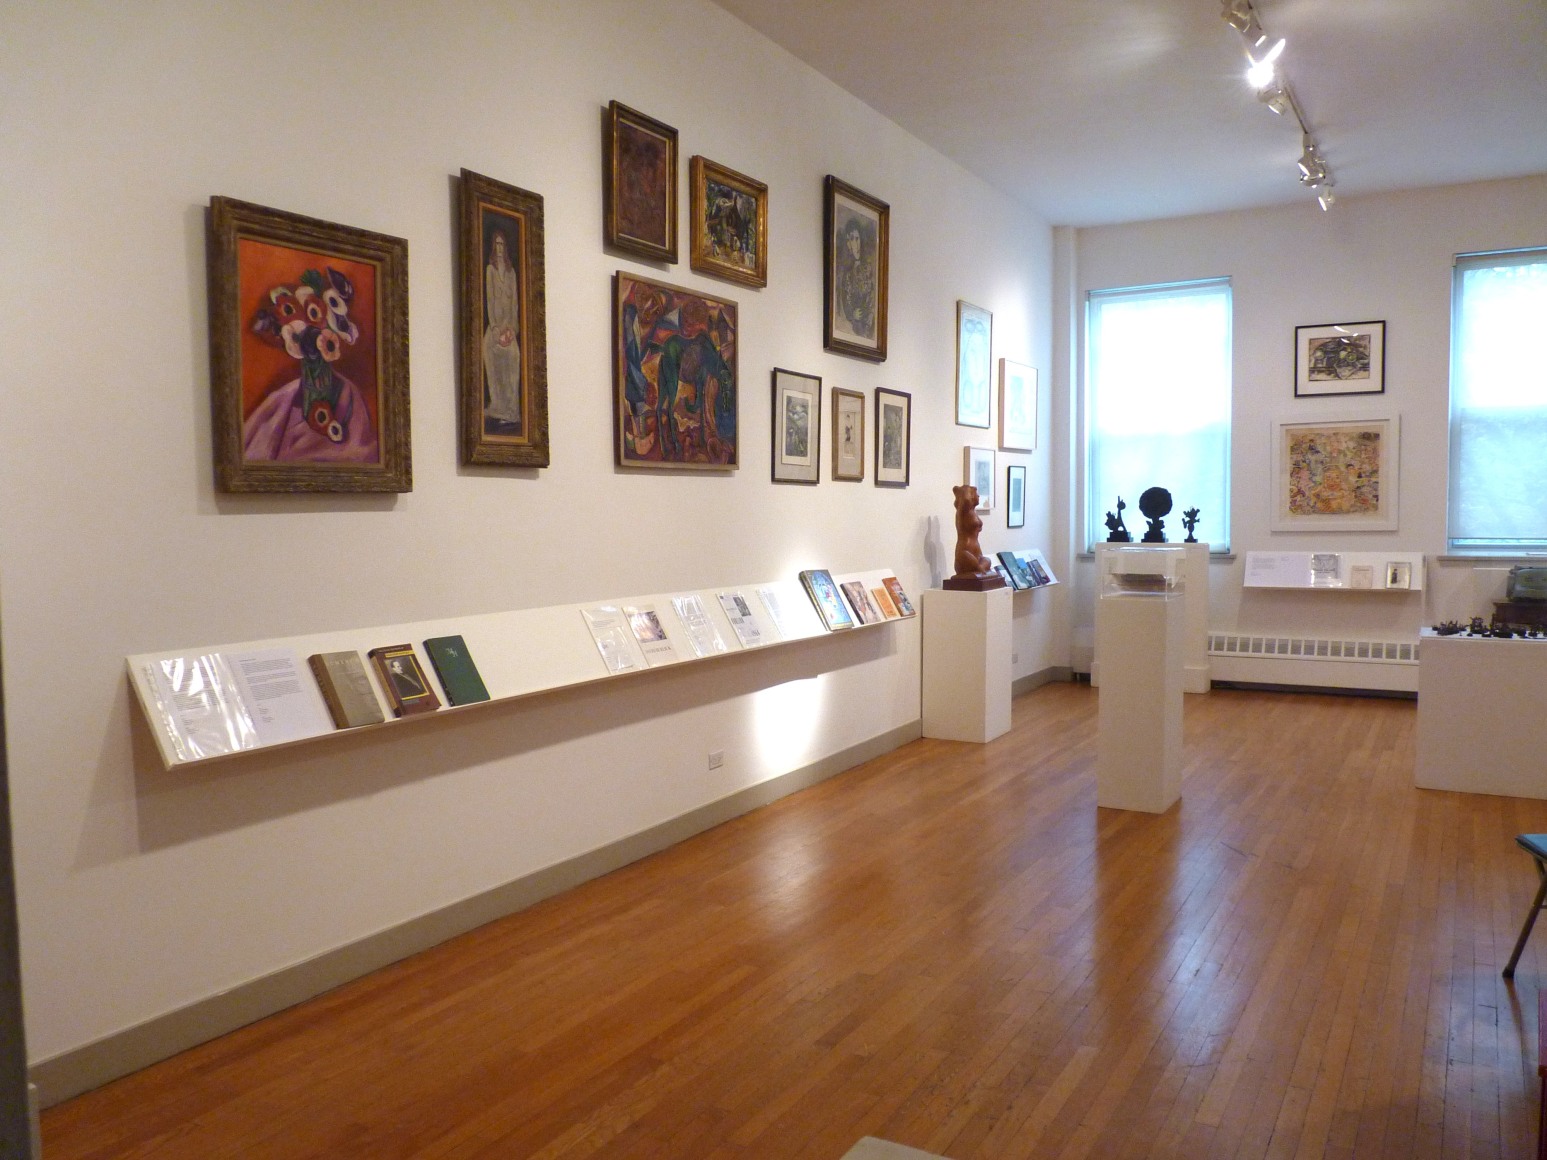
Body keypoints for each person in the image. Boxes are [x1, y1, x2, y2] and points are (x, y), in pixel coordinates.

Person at [482, 229, 522, 428]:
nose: (499, 248)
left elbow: (514, 305)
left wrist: (511, 330)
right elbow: (489, 301)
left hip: (508, 328)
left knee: (514, 356)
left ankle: (512, 410)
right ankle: (497, 404)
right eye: (496, 244)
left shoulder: (511, 272)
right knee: (488, 348)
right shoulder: (489, 271)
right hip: (495, 327)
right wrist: (496, 329)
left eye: (502, 245)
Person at [835, 217, 875, 339]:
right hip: (853, 327)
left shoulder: (868, 269)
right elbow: (845, 303)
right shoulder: (847, 275)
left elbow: (872, 297)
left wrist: (868, 314)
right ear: (848, 244)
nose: (855, 244)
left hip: (868, 322)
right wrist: (852, 314)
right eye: (852, 240)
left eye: (857, 239)